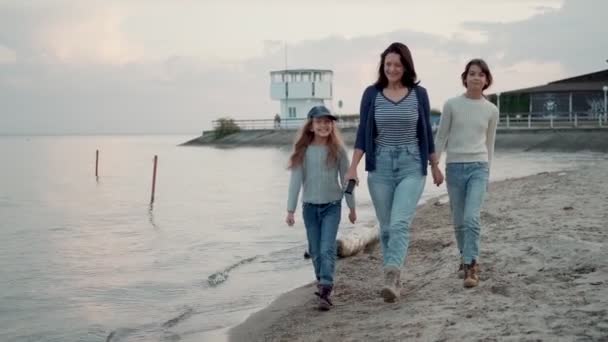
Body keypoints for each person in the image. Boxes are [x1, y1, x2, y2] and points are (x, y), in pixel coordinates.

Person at [344, 42, 442, 303]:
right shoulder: (371, 94)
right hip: (381, 165)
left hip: (412, 164)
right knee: (387, 228)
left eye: (397, 64)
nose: (392, 68)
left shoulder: (418, 94)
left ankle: (391, 274)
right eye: (388, 64)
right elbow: (363, 134)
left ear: (406, 66)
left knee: (399, 223)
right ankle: (394, 278)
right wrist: (353, 166)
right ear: (382, 65)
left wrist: (434, 165)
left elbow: (426, 135)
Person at [433, 58, 499, 288]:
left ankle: (472, 265)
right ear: (465, 78)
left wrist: (488, 171)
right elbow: (441, 137)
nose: (476, 77)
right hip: (454, 168)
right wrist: (435, 165)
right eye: (472, 73)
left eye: (481, 74)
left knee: (472, 218)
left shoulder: (492, 110)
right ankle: (463, 257)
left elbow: (489, 144)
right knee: (459, 221)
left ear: (486, 80)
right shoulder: (451, 105)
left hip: (479, 168)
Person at [286, 105, 357, 310]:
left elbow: (347, 181)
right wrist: (290, 210)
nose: (324, 125)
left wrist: (352, 208)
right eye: (319, 122)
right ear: (311, 126)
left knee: (327, 249)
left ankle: (325, 288)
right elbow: (295, 181)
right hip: (309, 208)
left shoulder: (338, 150)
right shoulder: (303, 151)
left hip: (332, 206)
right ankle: (321, 280)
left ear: (331, 126)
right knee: (315, 250)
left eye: (327, 122)